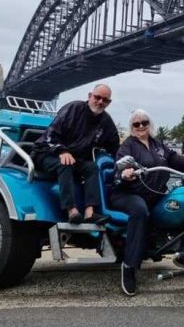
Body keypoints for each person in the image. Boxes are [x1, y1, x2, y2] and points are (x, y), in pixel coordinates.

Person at [110, 109, 184, 296]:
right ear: (132, 127)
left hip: (155, 194)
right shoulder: (129, 146)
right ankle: (129, 266)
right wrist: (125, 173)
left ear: (150, 124)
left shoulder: (158, 145)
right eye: (136, 124)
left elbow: (178, 161)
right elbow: (120, 166)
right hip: (129, 193)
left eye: (144, 122)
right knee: (140, 212)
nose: (141, 126)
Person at [32, 83, 120, 224]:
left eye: (105, 100)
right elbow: (50, 136)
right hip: (46, 153)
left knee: (92, 167)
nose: (100, 102)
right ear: (90, 96)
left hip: (75, 160)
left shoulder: (106, 121)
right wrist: (62, 150)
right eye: (97, 97)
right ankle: (72, 211)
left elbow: (115, 146)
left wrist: (125, 162)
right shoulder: (73, 108)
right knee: (65, 163)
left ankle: (89, 212)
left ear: (109, 102)